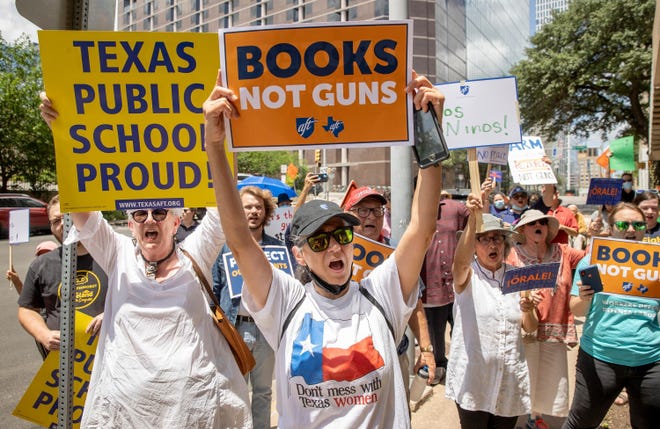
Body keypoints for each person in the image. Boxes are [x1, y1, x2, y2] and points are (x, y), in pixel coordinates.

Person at [203, 70, 444, 428]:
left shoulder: (381, 293)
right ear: (300, 254)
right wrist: (214, 145)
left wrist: (429, 132)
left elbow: (422, 230)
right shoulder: (286, 302)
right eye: (319, 240)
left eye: (342, 236)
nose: (334, 246)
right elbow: (239, 241)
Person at [39, 94, 251, 428]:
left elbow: (222, 205)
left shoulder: (197, 252)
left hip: (193, 412)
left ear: (176, 221)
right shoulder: (117, 253)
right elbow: (81, 207)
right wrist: (60, 133)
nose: (149, 219)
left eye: (160, 212)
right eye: (140, 213)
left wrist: (218, 136)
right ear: (131, 223)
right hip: (127, 414)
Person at [564, 202, 659, 429]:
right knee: (581, 423)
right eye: (623, 224)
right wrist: (585, 297)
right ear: (612, 226)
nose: (631, 229)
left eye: (637, 224)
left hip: (651, 361)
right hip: (600, 359)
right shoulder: (593, 261)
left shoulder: (657, 262)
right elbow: (575, 308)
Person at [448, 200, 541, 429]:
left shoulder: (519, 277)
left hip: (508, 381)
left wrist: (528, 311)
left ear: (505, 243)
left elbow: (530, 327)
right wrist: (473, 218)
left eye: (497, 238)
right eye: (484, 238)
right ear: (474, 245)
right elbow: (459, 263)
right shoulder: (468, 276)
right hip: (475, 381)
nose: (492, 245)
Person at [342, 185, 437, 392]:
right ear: (348, 216)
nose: (371, 217)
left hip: (393, 354)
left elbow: (415, 304)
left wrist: (426, 349)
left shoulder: (397, 253)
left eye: (377, 210)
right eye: (363, 210)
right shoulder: (336, 251)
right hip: (345, 356)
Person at [212, 185, 283, 429]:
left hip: (267, 330)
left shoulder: (278, 249)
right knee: (235, 392)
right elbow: (214, 288)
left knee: (263, 392)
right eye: (247, 207)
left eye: (258, 207)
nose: (253, 211)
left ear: (266, 212)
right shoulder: (224, 247)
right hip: (235, 330)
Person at [507, 210, 586, 428]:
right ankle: (517, 418)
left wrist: (596, 234)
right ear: (523, 229)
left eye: (542, 222)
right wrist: (521, 298)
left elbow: (592, 256)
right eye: (532, 223)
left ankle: (536, 417)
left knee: (550, 378)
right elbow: (502, 286)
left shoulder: (564, 252)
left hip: (555, 326)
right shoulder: (512, 254)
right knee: (524, 376)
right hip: (524, 327)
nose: (538, 226)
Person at [17, 195, 108, 359]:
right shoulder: (41, 265)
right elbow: (27, 309)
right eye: (55, 221)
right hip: (62, 363)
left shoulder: (111, 257)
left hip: (110, 357)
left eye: (68, 216)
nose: (63, 224)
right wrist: (43, 334)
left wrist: (110, 315)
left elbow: (139, 298)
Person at [420, 187, 469, 384]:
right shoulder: (411, 213)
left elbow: (476, 224)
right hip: (431, 285)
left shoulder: (454, 208)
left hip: (457, 284)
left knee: (462, 328)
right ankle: (439, 366)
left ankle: (463, 367)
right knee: (435, 333)